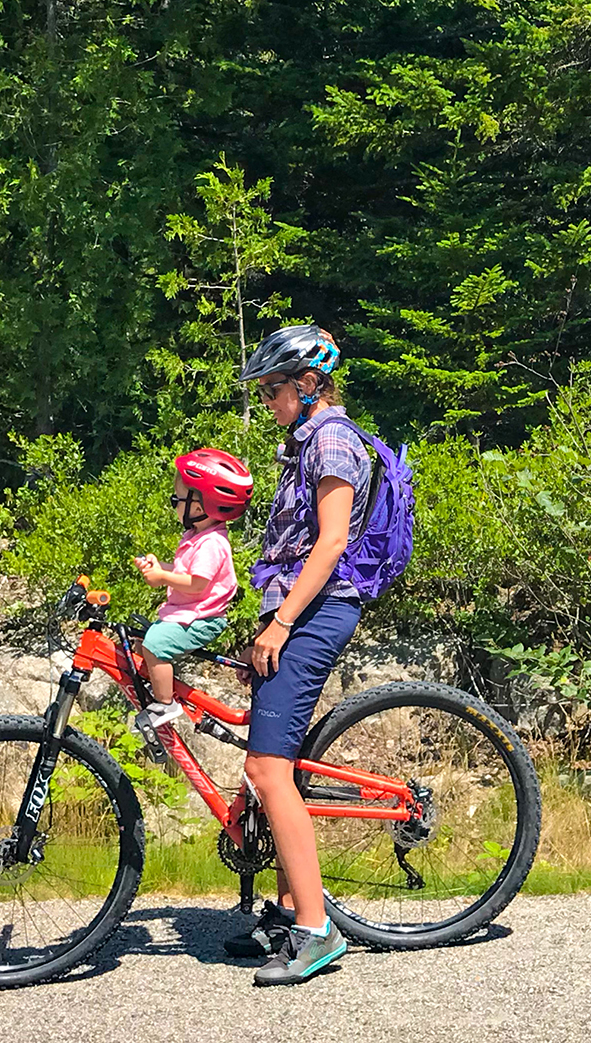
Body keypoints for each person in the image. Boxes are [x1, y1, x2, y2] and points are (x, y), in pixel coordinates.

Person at [226, 323, 370, 986]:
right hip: (292, 613)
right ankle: (288, 914)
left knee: (267, 766)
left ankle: (317, 930)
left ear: (309, 383)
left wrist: (281, 622)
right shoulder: (305, 440)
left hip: (315, 613)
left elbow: (333, 539)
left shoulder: (334, 437)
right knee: (268, 765)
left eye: (275, 389)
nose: (269, 401)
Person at [132, 448, 251, 731]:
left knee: (155, 644)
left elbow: (198, 585)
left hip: (201, 618)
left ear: (198, 507)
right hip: (187, 612)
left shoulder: (212, 544)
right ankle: (157, 686)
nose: (173, 504)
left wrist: (162, 577)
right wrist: (159, 566)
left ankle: (165, 704)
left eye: (177, 499)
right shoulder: (196, 537)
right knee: (140, 640)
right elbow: (185, 573)